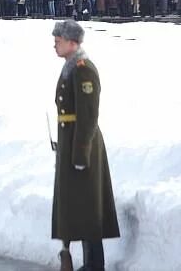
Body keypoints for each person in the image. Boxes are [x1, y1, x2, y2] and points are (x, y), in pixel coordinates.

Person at [51, 20, 119, 271]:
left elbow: (88, 116)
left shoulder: (83, 69)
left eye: (58, 40)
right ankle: (88, 261)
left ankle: (94, 263)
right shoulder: (71, 67)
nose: (54, 45)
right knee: (79, 204)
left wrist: (81, 153)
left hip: (84, 145)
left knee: (89, 205)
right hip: (72, 141)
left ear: (72, 42)